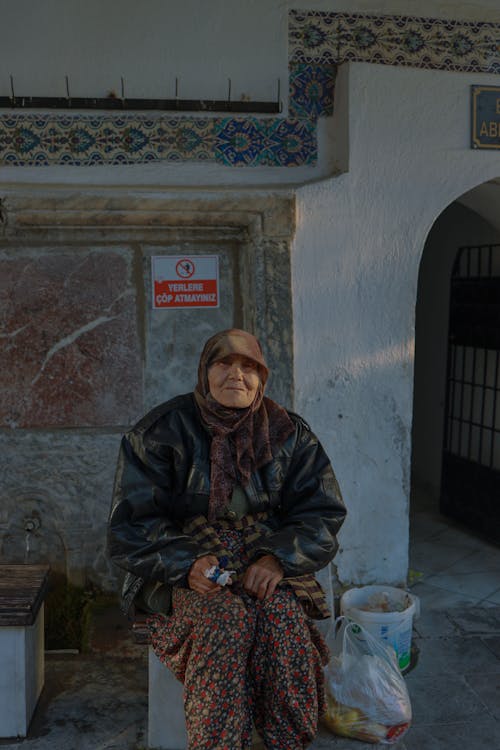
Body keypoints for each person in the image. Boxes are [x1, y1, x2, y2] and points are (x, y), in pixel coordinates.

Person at [108, 328, 346, 750]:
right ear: (205, 371)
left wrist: (277, 559)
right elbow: (132, 524)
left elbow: (322, 513)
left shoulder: (289, 434)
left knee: (282, 623)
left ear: (262, 379)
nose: (237, 375)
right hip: (181, 562)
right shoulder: (160, 432)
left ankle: (287, 741)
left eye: (249, 367)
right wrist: (187, 565)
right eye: (225, 363)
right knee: (225, 621)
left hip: (262, 555)